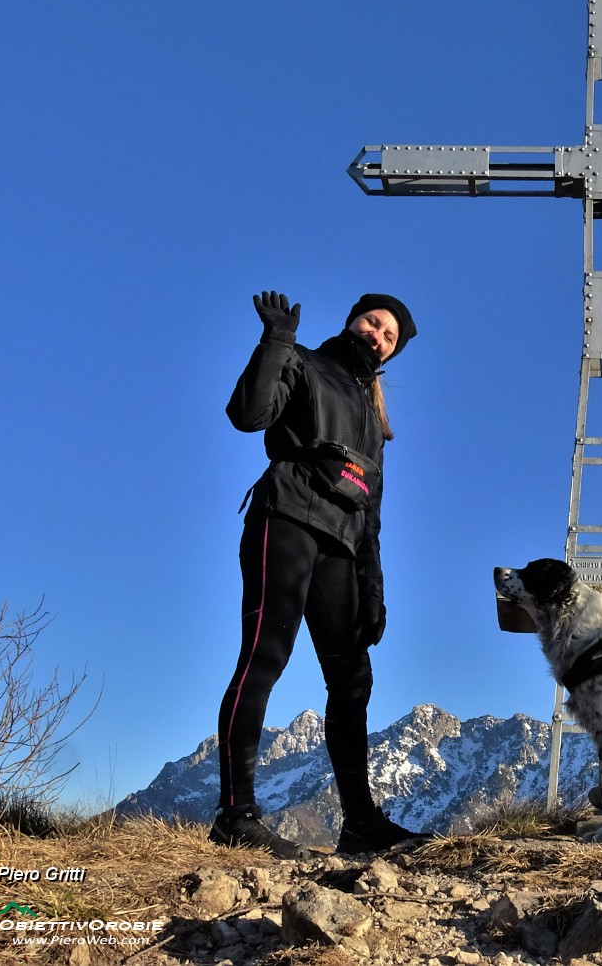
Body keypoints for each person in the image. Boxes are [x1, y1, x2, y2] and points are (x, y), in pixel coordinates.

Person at [211, 290, 422, 858]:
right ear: (353, 319)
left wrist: (373, 588)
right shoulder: (303, 362)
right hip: (285, 517)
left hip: (345, 549)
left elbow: (371, 509)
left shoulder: (373, 418)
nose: (378, 335)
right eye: (373, 322)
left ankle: (359, 825)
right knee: (263, 656)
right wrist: (277, 340)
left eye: (389, 337)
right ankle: (236, 815)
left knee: (353, 681)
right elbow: (247, 416)